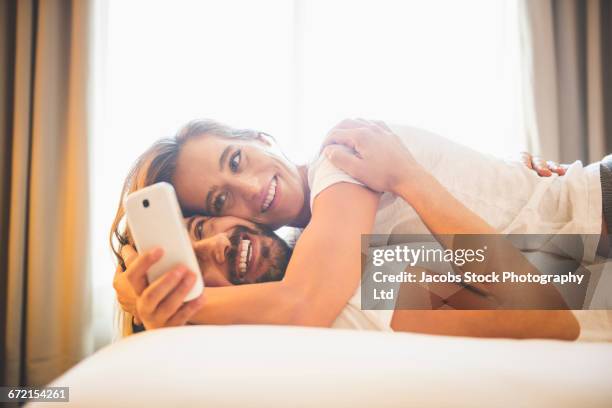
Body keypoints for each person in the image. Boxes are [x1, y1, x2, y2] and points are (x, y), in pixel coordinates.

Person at [112, 118, 604, 338]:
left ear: (261, 137)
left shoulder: (341, 160)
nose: (248, 187)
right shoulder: (335, 253)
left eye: (237, 158)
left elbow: (304, 302)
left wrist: (170, 304)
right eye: (219, 201)